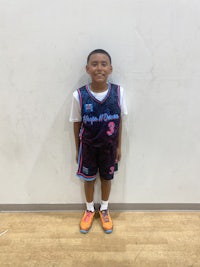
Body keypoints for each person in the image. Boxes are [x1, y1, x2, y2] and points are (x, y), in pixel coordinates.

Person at [69, 49, 127, 234]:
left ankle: (104, 209)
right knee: (88, 180)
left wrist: (118, 146)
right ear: (87, 68)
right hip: (88, 147)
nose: (99, 68)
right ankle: (88, 209)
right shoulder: (79, 95)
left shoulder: (118, 92)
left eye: (103, 64)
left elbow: (120, 121)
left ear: (110, 69)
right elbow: (76, 123)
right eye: (94, 64)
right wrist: (78, 149)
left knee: (106, 179)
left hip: (109, 148)